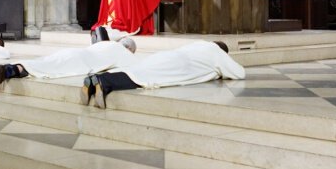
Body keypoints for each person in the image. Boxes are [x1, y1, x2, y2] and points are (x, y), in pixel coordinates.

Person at [83, 40, 245, 108]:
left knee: (138, 71)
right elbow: (239, 73)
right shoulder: (216, 52)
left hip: (166, 57)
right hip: (176, 67)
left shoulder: (198, 44)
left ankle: (95, 81)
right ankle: (103, 83)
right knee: (146, 78)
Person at [0, 37, 137, 94]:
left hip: (73, 53)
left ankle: (8, 68)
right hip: (79, 61)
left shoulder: (106, 43)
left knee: (43, 63)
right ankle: (8, 71)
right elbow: (132, 68)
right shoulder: (124, 53)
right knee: (45, 69)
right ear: (129, 49)